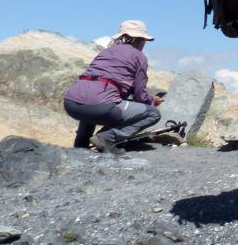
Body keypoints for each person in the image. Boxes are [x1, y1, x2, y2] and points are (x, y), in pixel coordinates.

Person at [62, 20, 163, 155]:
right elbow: (140, 96)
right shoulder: (139, 56)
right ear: (140, 39)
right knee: (152, 114)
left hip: (71, 104)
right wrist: (152, 101)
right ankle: (107, 137)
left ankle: (81, 143)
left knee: (93, 100)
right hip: (101, 106)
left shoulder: (106, 52)